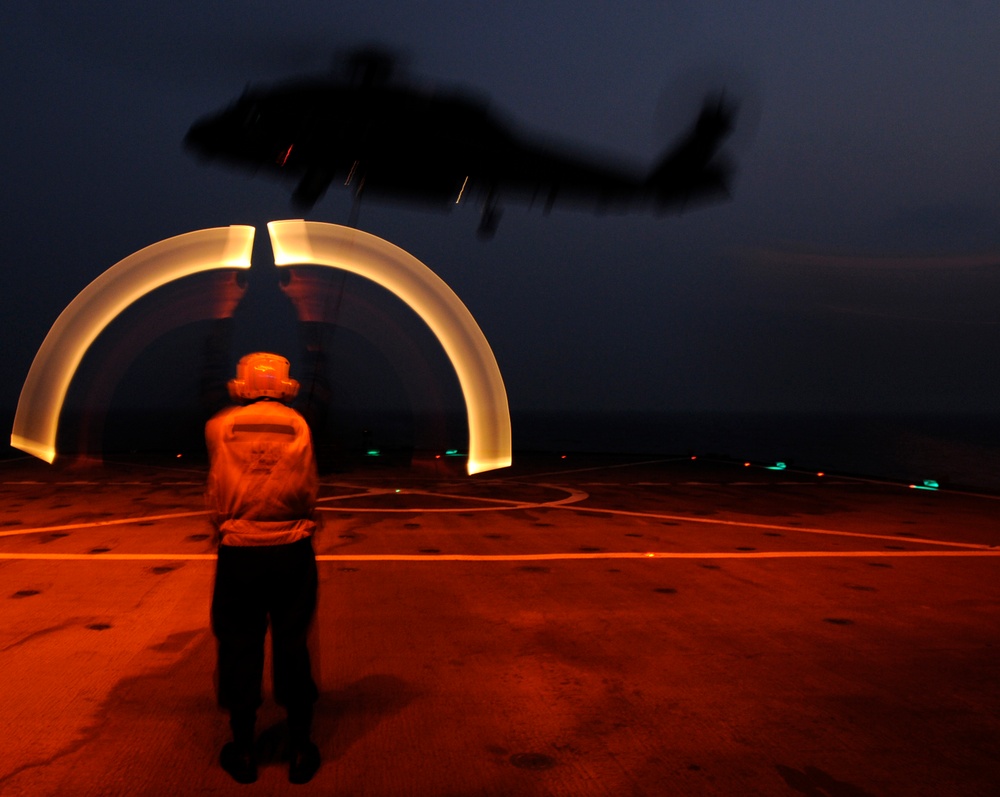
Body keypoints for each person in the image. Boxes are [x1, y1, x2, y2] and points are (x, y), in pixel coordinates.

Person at [205, 352, 322, 784]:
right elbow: (308, 486)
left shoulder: (220, 426)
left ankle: (244, 748)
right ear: (284, 384)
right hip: (292, 547)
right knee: (292, 644)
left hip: (240, 549)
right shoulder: (299, 425)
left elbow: (216, 488)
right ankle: (300, 746)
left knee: (239, 645)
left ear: (244, 383)